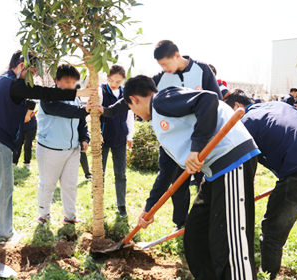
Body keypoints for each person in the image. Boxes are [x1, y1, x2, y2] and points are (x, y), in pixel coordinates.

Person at [99, 75, 260, 280]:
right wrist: (149, 209)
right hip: (214, 173)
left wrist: (196, 148)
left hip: (231, 161)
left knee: (229, 242)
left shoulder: (163, 99)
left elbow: (208, 100)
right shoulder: (160, 122)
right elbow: (166, 171)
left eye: (131, 108)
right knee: (196, 235)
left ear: (135, 99)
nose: (135, 113)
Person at [0, 52, 96, 241]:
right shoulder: (13, 83)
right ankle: (3, 234)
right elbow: (46, 94)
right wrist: (80, 93)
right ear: (22, 65)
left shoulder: (5, 80)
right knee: (3, 188)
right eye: (33, 71)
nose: (34, 76)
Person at [224, 89, 297, 280]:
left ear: (237, 107)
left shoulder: (245, 123)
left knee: (272, 233)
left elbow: (244, 170)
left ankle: (267, 275)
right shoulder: (281, 105)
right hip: (294, 169)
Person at [152, 40, 223, 229]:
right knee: (178, 184)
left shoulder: (202, 70)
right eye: (161, 66)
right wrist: (108, 110)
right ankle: (181, 223)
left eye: (166, 63)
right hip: (175, 140)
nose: (164, 69)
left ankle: (205, 222)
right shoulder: (159, 79)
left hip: (202, 141)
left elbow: (218, 102)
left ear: (177, 56)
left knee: (205, 182)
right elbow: (137, 94)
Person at [36, 65, 91, 224]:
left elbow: (81, 121)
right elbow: (65, 110)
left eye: (73, 83)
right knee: (48, 185)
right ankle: (43, 215)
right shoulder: (47, 97)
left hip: (72, 150)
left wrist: (84, 138)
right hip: (50, 149)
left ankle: (70, 216)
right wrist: (83, 111)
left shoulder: (75, 98)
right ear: (56, 80)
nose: (70, 86)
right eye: (66, 82)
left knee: (70, 185)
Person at [99, 65, 134, 217]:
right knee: (100, 173)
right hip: (102, 138)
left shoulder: (126, 93)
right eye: (112, 80)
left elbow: (130, 115)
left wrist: (130, 136)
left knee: (121, 174)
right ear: (107, 77)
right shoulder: (101, 91)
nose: (114, 84)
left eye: (118, 82)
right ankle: (98, 202)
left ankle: (121, 205)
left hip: (120, 138)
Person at [12, 99, 37, 170]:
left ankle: (27, 163)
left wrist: (28, 115)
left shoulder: (22, 99)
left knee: (27, 145)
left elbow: (32, 103)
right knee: (17, 145)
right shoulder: (9, 102)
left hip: (30, 126)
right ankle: (14, 163)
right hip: (19, 126)